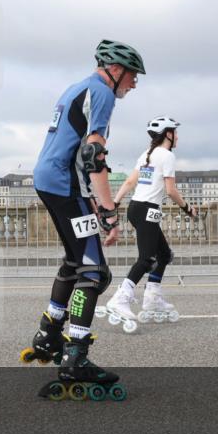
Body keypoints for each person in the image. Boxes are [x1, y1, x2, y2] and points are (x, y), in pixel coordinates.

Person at [23, 39, 145, 395]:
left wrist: (91, 201)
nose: (134, 84)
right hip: (64, 183)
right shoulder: (102, 93)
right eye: (133, 76)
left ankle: (48, 334)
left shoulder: (76, 87)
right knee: (94, 271)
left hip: (50, 179)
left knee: (75, 261)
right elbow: (93, 154)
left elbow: (77, 151)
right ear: (116, 70)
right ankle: (75, 355)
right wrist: (108, 211)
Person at [104, 116, 197, 325]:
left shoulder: (147, 154)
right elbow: (171, 191)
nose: (178, 136)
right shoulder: (167, 156)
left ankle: (152, 299)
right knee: (146, 259)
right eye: (175, 132)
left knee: (163, 255)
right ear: (168, 134)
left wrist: (114, 205)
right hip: (148, 209)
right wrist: (188, 208)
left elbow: (129, 182)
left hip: (135, 208)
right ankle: (120, 298)